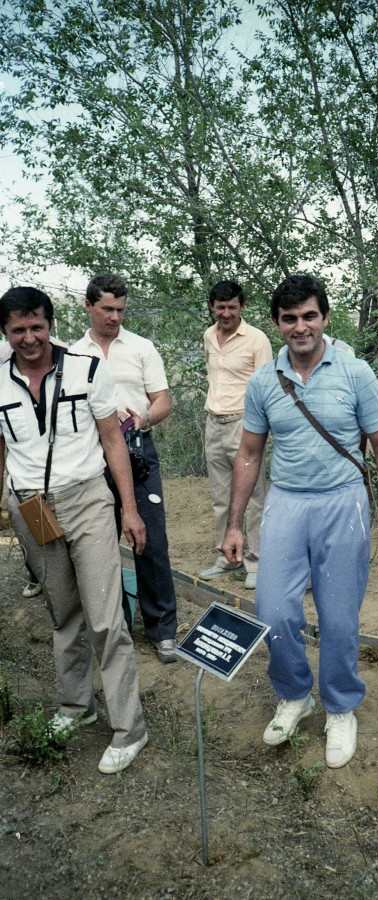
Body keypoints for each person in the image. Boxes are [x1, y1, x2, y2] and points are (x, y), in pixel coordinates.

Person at [222, 274, 378, 768]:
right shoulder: (264, 382)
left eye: (310, 316)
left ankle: (341, 706)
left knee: (339, 616)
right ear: (276, 324)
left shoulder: (356, 373)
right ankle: (294, 695)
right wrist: (235, 524)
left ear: (325, 318)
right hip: (286, 502)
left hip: (343, 502)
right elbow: (249, 452)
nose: (300, 327)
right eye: (290, 318)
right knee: (273, 608)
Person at [0, 286, 148, 774]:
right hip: (31, 508)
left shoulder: (86, 369)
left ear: (51, 324)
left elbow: (113, 441)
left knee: (105, 618)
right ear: (5, 332)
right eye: (18, 330)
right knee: (63, 612)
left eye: (37, 327)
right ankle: (76, 706)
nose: (29, 338)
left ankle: (129, 729)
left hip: (86, 500)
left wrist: (129, 510)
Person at [70, 274, 178, 663]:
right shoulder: (73, 354)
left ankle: (163, 630)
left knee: (150, 539)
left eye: (120, 309)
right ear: (89, 306)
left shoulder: (141, 347)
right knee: (101, 545)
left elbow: (163, 400)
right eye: (107, 309)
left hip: (137, 449)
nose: (115, 317)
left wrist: (144, 417)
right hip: (91, 454)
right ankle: (118, 629)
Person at [200, 280, 272, 590]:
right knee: (221, 495)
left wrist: (259, 429)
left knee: (253, 496)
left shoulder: (257, 340)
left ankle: (255, 561)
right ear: (212, 307)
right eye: (220, 307)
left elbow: (267, 387)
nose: (226, 313)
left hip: (245, 424)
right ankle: (228, 556)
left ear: (242, 307)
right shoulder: (209, 336)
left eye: (232, 307)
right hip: (214, 422)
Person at [1, 335, 66, 598]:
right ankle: (35, 574)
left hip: (49, 451)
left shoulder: (52, 346)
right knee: (25, 518)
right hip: (17, 448)